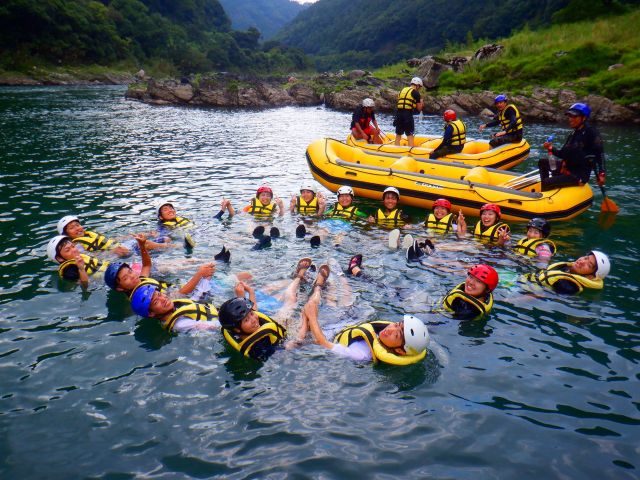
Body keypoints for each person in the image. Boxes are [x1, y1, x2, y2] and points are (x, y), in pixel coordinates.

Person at [218, 259, 325, 361]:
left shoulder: (237, 327)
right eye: (246, 320)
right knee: (305, 306)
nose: (254, 319)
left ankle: (299, 277)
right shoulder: (258, 349)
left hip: (276, 323)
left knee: (291, 299)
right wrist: (306, 320)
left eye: (251, 314)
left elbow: (255, 313)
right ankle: (318, 287)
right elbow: (292, 345)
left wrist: (250, 292)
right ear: (237, 329)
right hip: (290, 337)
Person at [300, 287, 429, 364]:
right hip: (345, 324)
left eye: (396, 334)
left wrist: (312, 316)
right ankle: (330, 281)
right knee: (346, 300)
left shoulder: (362, 354)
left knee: (303, 323)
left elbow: (323, 342)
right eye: (396, 324)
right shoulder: (383, 336)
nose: (390, 329)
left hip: (328, 335)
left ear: (400, 351)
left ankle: (318, 287)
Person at [538, 103, 606, 191]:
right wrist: (551, 148)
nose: (570, 119)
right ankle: (549, 190)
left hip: (578, 175)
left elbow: (600, 153)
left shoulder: (591, 132)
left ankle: (547, 192)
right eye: (569, 116)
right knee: (542, 162)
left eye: (574, 116)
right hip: (567, 169)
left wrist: (602, 174)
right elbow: (563, 153)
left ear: (584, 118)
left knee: (547, 182)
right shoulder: (574, 133)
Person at [57, 215, 170, 257]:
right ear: (66, 235)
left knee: (163, 238)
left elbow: (109, 240)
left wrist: (127, 237)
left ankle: (155, 235)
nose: (77, 228)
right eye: (72, 228)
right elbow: (91, 256)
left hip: (122, 246)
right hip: (118, 254)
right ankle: (176, 247)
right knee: (145, 243)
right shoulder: (77, 247)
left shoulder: (89, 235)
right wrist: (113, 252)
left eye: (77, 225)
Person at [130, 284, 219, 332]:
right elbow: (213, 327)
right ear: (151, 313)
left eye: (159, 294)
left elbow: (194, 300)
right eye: (156, 302)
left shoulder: (176, 306)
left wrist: (205, 280)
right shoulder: (180, 325)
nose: (163, 299)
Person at [525, 250, 610, 294]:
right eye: (586, 258)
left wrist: (513, 300)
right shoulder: (565, 268)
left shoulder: (569, 286)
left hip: (525, 290)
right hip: (524, 281)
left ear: (591, 277)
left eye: (589, 265)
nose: (582, 261)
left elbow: (540, 295)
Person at [393, 77, 424, 147]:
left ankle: (395, 151)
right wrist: (421, 102)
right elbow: (419, 109)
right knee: (410, 135)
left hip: (398, 114)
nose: (419, 88)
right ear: (417, 85)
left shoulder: (402, 90)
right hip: (407, 115)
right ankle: (410, 153)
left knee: (398, 135)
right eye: (419, 87)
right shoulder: (416, 93)